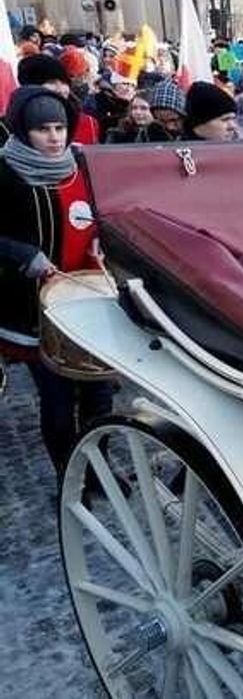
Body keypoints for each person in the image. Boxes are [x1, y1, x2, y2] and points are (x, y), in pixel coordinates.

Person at [0, 86, 114, 475]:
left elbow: (96, 215)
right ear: (22, 131)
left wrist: (100, 239)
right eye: (42, 129)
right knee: (59, 403)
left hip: (86, 301)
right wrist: (24, 255)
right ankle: (71, 476)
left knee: (100, 397)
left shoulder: (79, 167)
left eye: (60, 127)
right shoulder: (4, 172)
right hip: (33, 309)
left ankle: (101, 472)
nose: (54, 137)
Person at [11, 54, 100, 145]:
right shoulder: (15, 126)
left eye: (63, 82)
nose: (60, 89)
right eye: (51, 82)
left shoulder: (87, 122)